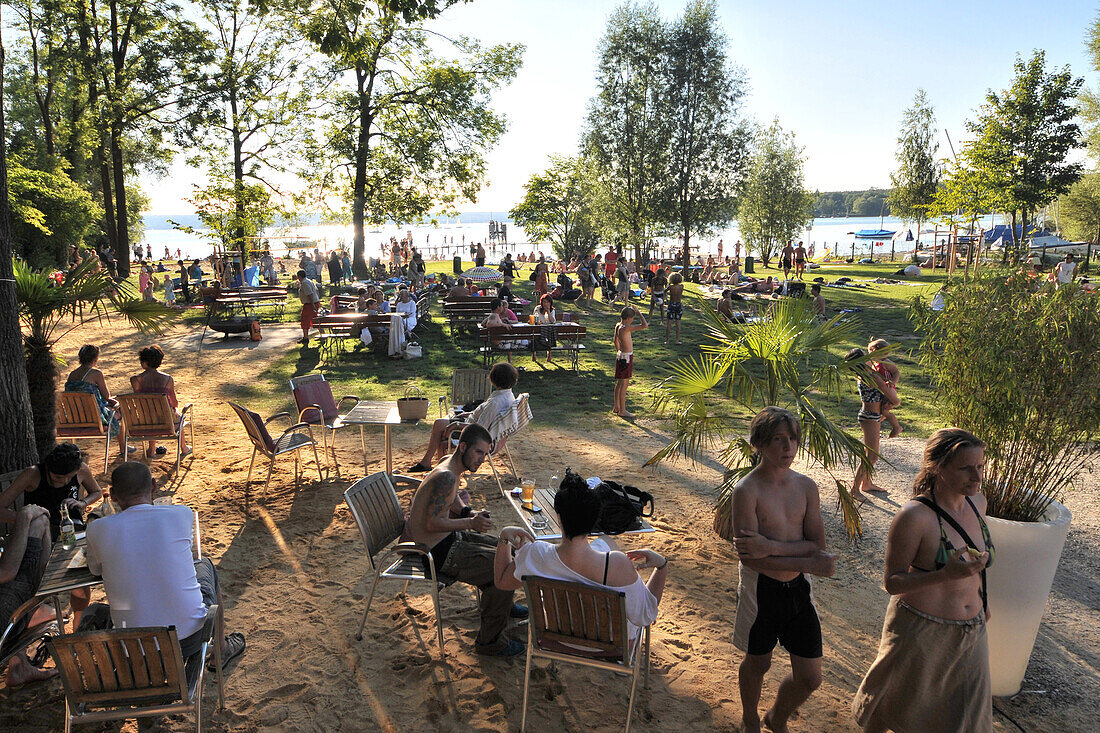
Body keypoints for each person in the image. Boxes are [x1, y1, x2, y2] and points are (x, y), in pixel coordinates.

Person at [852, 429, 993, 733]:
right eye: (966, 468)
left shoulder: (977, 503)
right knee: (890, 707)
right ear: (937, 467)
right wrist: (943, 575)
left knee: (966, 716)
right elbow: (892, 582)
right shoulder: (915, 516)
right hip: (921, 630)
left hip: (972, 631)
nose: (977, 476)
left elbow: (976, 566)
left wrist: (985, 602)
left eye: (980, 466)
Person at [731, 407, 837, 733]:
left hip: (798, 590)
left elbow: (816, 544)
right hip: (759, 589)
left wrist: (772, 547)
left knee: (810, 677)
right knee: (758, 662)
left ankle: (777, 715)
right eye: (778, 440)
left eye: (792, 439)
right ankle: (751, 717)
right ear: (759, 444)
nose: (787, 448)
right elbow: (751, 559)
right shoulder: (746, 491)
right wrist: (807, 563)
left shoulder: (806, 487)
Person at [80, 462, 246, 668]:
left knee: (98, 610)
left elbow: (95, 570)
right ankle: (220, 650)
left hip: (133, 650)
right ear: (153, 486)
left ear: (112, 495)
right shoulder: (181, 514)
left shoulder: (97, 529)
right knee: (205, 564)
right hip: (188, 639)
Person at [493, 469, 666, 644]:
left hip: (556, 639)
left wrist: (504, 537)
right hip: (610, 648)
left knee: (604, 543)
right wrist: (661, 566)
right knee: (606, 546)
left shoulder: (535, 553)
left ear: (559, 518)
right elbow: (647, 614)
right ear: (595, 519)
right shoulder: (617, 564)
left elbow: (501, 581)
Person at [404, 424, 527, 656]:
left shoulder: (451, 463)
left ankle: (504, 605)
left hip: (446, 540)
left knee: (505, 549)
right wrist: (471, 523)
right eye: (479, 452)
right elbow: (431, 523)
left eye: (486, 453)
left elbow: (449, 501)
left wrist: (466, 512)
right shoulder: (447, 477)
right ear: (462, 447)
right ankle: (490, 642)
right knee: (503, 568)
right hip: (437, 553)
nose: (482, 459)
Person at [0, 443, 105, 628]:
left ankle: (78, 624)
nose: (64, 482)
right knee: (37, 578)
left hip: (71, 534)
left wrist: (82, 502)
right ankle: (36, 612)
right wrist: (29, 519)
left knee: (80, 580)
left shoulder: (81, 469)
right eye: (58, 477)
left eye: (69, 478)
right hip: (38, 537)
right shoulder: (33, 474)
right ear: (48, 468)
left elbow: (97, 492)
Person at [408, 363, 519, 472]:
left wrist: (456, 425)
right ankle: (434, 466)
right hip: (477, 427)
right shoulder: (507, 395)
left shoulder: (496, 402)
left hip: (476, 435)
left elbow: (479, 428)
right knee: (441, 430)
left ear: (494, 379)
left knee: (439, 427)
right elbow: (484, 415)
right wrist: (467, 414)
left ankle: (437, 468)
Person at [0, 505, 57, 686]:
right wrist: (24, 517)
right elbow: (6, 572)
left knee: (38, 521)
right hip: (4, 624)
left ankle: (20, 665)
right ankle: (41, 597)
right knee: (39, 522)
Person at [64, 344, 127, 457]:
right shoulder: (96, 373)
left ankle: (124, 447)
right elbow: (106, 396)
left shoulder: (72, 374)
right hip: (95, 418)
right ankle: (123, 448)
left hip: (75, 416)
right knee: (118, 412)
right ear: (95, 359)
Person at [130, 345, 191, 458]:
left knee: (151, 413)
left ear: (143, 363)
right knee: (177, 414)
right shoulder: (167, 379)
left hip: (145, 420)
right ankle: (184, 447)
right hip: (166, 419)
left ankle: (151, 449)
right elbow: (174, 403)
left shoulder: (135, 380)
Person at [847, 348, 892, 500]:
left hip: (871, 416)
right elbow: (888, 391)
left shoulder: (865, 375)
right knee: (871, 456)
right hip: (870, 417)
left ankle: (866, 483)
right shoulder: (869, 377)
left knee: (870, 454)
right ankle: (854, 489)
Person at [613, 306, 648, 418]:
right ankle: (622, 410)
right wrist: (639, 312)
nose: (633, 320)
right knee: (624, 385)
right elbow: (645, 325)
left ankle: (616, 406)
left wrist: (619, 351)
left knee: (619, 383)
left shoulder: (618, 326)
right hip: (626, 357)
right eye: (632, 318)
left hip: (621, 356)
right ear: (628, 318)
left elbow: (615, 340)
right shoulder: (626, 328)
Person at [868, 339, 902, 438]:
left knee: (885, 411)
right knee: (880, 413)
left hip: (889, 390)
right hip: (882, 391)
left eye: (871, 353)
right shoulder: (875, 364)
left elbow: (896, 372)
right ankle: (875, 432)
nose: (869, 355)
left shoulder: (886, 362)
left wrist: (892, 382)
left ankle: (896, 427)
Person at [295, 268, 321, 345]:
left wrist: (313, 305)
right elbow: (316, 291)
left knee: (305, 320)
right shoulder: (309, 281)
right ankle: (322, 333)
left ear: (299, 276)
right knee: (315, 319)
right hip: (314, 302)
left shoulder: (305, 283)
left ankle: (306, 338)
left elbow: (310, 294)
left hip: (310, 304)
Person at [534, 294, 556, 362]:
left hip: (547, 329)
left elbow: (552, 321)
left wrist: (548, 311)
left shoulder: (552, 310)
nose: (546, 304)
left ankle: (549, 354)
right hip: (538, 328)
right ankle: (534, 353)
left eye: (547, 302)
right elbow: (534, 318)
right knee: (534, 335)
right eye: (544, 302)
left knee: (550, 334)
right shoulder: (537, 308)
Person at [665, 272, 684, 344]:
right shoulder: (681, 286)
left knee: (669, 322)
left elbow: (664, 291)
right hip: (678, 304)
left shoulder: (670, 287)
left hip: (671, 304)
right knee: (678, 322)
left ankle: (667, 340)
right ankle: (677, 340)